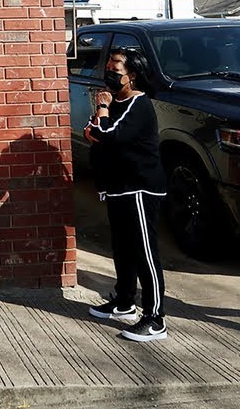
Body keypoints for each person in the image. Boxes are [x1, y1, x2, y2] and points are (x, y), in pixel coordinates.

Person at [84, 47, 168, 342]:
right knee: (122, 247)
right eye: (109, 64)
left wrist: (103, 113)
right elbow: (91, 133)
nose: (110, 69)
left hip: (140, 187)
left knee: (144, 251)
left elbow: (109, 135)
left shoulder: (138, 104)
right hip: (117, 187)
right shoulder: (115, 102)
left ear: (132, 75)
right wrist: (102, 119)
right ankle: (124, 301)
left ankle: (155, 317)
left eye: (117, 65)